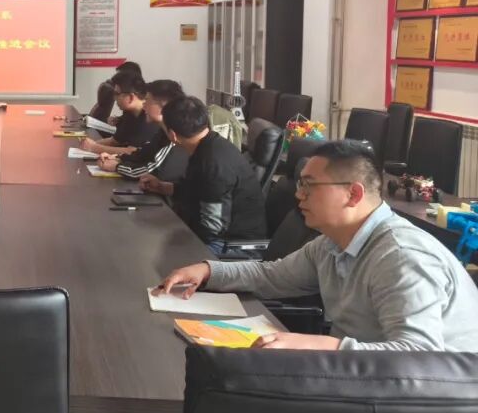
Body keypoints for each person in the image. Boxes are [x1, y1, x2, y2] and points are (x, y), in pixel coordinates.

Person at [155, 140, 478, 351]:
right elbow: (271, 276)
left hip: (442, 403)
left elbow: (418, 355)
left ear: (353, 194)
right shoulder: (331, 244)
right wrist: (208, 271)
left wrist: (323, 346)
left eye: (309, 186)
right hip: (369, 381)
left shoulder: (401, 256)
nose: (298, 195)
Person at [139, 96, 266, 250]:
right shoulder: (207, 145)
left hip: (232, 246)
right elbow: (195, 190)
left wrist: (172, 232)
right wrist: (162, 187)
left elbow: (212, 228)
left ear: (172, 135)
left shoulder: (213, 163)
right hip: (218, 235)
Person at [98, 79, 189, 182]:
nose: (144, 105)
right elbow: (143, 154)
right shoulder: (162, 132)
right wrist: (117, 158)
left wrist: (117, 167)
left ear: (164, 105)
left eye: (148, 101)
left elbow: (151, 170)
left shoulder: (175, 136)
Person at [80, 74, 156, 156]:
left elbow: (133, 152)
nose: (114, 98)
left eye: (117, 94)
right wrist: (88, 145)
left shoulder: (149, 116)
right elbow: (114, 141)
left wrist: (94, 147)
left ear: (131, 97)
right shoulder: (129, 112)